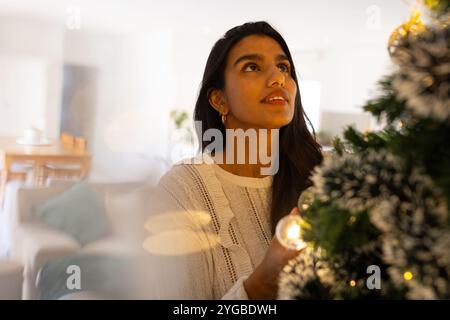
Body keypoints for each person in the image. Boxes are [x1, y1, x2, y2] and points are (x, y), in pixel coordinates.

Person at [143, 21, 323, 300]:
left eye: (283, 67)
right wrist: (263, 283)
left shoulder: (321, 175)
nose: (278, 79)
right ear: (219, 99)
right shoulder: (183, 189)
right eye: (252, 66)